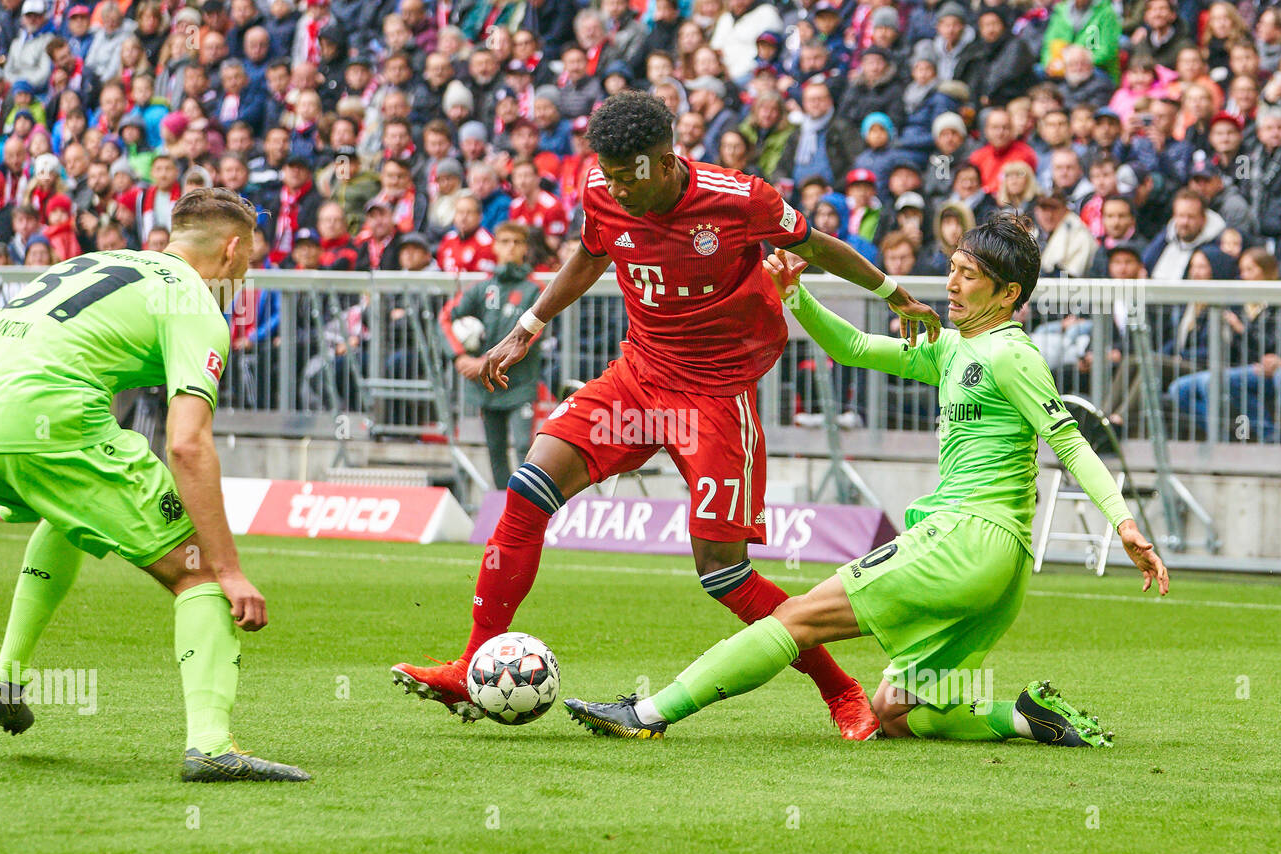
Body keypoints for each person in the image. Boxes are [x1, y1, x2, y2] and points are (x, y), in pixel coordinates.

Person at [392, 91, 942, 739]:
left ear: (664, 158)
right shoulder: (601, 187)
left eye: (630, 176)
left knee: (725, 573)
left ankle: (842, 690)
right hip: (637, 376)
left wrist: (892, 293)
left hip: (716, 394)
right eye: (610, 175)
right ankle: (470, 661)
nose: (618, 188)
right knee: (527, 490)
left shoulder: (739, 199)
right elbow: (592, 252)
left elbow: (817, 246)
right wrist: (528, 324)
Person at [565, 215, 1169, 744]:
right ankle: (1022, 717)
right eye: (952, 269)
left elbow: (1068, 440)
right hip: (1000, 568)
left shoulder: (1013, 354)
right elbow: (853, 346)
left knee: (794, 618)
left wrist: (1124, 523)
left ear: (1009, 293)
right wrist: (795, 296)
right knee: (897, 712)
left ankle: (646, 711)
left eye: (969, 275)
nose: (952, 284)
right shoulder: (951, 349)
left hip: (963, 542)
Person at [0, 188, 309, 782]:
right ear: (233, 249)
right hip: (49, 418)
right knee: (199, 572)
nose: (247, 275)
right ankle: (212, 747)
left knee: (74, 512)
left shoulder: (94, 262)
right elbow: (187, 445)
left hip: (8, 412)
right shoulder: (195, 301)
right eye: (250, 262)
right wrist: (230, 566)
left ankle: (6, 675)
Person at [441, 222, 546, 489]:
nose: (511, 247)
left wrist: (482, 363)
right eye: (505, 241)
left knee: (525, 446)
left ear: (525, 248)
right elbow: (445, 319)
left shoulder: (535, 290)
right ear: (495, 246)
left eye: (517, 242)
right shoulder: (480, 288)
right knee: (495, 451)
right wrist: (460, 358)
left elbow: (532, 336)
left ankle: (531, 506)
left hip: (520, 384)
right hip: (487, 385)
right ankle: (503, 506)